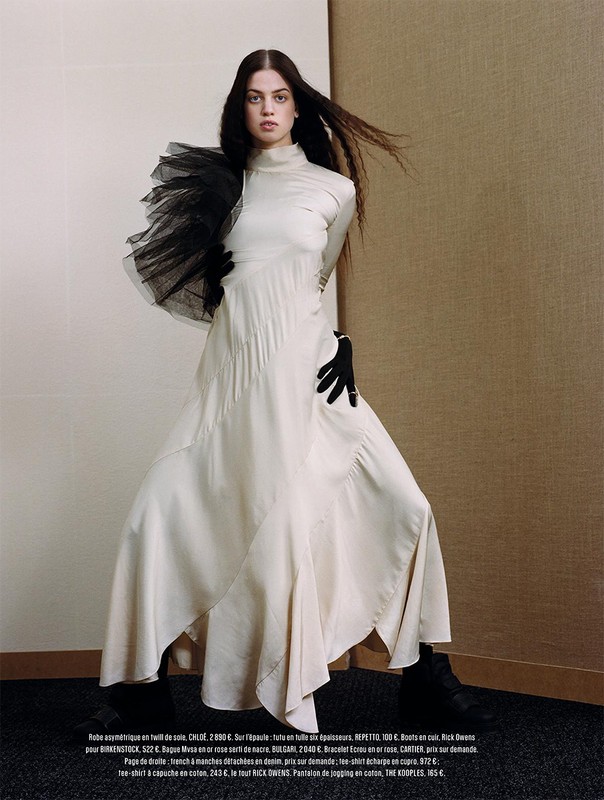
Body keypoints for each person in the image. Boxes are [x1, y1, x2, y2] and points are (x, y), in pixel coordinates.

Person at [74, 49, 497, 739]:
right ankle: (139, 695)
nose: (267, 108)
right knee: (156, 517)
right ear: (239, 108)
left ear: (298, 106)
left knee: (405, 505)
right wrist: (212, 267)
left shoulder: (335, 190)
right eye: (254, 97)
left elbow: (313, 284)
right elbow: (214, 293)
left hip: (312, 375)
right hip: (234, 382)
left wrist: (341, 343)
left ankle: (426, 678)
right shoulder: (219, 186)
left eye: (278, 96)